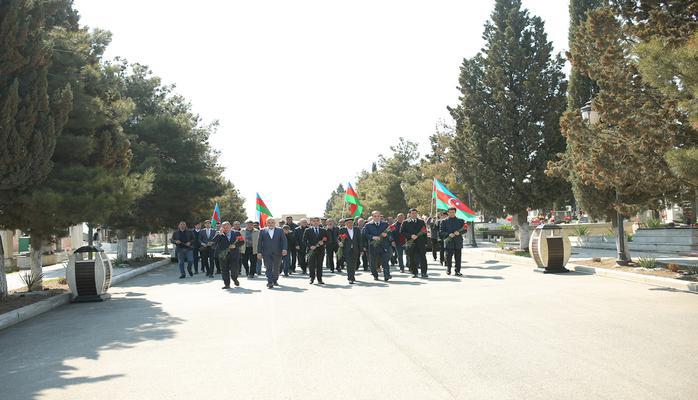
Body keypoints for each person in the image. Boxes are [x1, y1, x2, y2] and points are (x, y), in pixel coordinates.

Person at [257, 218, 288, 289]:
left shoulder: (280, 230)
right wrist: (259, 252)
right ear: (266, 223)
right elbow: (259, 242)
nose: (271, 224)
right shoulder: (262, 231)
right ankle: (270, 281)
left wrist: (284, 249)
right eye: (269, 222)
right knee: (268, 267)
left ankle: (275, 279)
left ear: (275, 223)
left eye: (272, 222)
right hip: (266, 253)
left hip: (277, 252)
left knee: (276, 267)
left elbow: (284, 240)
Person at [363, 211, 392, 281]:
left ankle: (386, 275)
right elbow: (365, 235)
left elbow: (390, 233)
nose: (377, 217)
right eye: (375, 216)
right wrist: (372, 237)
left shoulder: (385, 224)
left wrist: (386, 235)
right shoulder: (368, 225)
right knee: (373, 263)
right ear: (372, 217)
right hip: (373, 246)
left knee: (385, 261)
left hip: (383, 245)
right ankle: (375, 275)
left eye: (378, 216)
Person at [401, 208, 429, 278]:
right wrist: (410, 235)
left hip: (420, 242)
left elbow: (424, 231)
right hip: (411, 242)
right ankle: (414, 272)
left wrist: (425, 242)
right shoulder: (405, 222)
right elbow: (402, 232)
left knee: (423, 257)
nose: (414, 214)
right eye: (412, 213)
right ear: (409, 214)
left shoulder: (421, 222)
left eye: (415, 213)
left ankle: (424, 272)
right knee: (412, 258)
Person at [214, 221, 242, 288]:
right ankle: (227, 284)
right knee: (224, 270)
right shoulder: (219, 234)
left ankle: (234, 278)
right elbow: (214, 241)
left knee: (234, 269)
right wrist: (219, 234)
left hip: (234, 254)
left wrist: (235, 246)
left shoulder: (236, 233)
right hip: (223, 255)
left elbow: (242, 242)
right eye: (224, 227)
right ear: (222, 227)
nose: (226, 228)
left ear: (230, 226)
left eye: (227, 227)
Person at [440, 207, 466, 276]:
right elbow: (441, 232)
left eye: (453, 212)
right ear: (448, 213)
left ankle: (457, 271)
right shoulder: (444, 221)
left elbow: (464, 229)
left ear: (455, 212)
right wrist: (448, 234)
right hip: (449, 242)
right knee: (448, 257)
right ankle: (448, 269)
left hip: (458, 242)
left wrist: (459, 233)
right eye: (450, 212)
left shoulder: (460, 221)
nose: (452, 213)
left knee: (458, 258)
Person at [303, 217, 328, 284]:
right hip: (311, 250)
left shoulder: (323, 230)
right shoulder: (308, 230)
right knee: (311, 265)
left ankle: (319, 279)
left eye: (317, 221)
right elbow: (304, 241)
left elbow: (327, 239)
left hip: (321, 250)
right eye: (314, 221)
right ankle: (312, 278)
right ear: (311, 222)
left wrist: (323, 243)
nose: (315, 222)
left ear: (319, 222)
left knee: (319, 265)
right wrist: (310, 246)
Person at [338, 217, 362, 284]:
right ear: (345, 223)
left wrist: (361, 250)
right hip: (346, 249)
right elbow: (339, 238)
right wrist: (340, 243)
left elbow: (360, 240)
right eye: (348, 223)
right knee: (349, 264)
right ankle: (350, 278)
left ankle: (352, 275)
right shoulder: (342, 230)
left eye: (351, 223)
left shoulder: (356, 229)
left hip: (355, 249)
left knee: (354, 263)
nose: (350, 224)